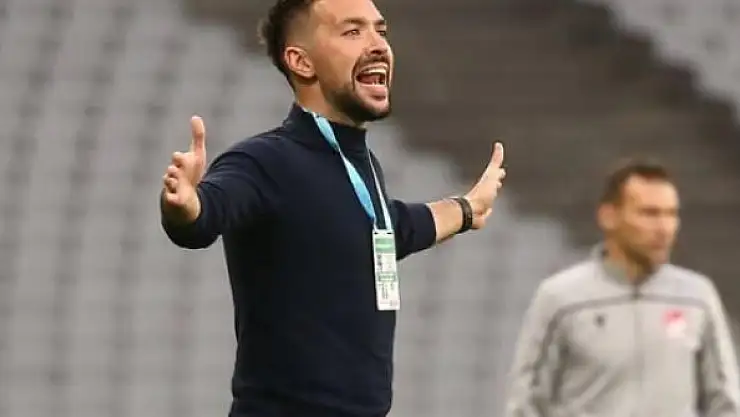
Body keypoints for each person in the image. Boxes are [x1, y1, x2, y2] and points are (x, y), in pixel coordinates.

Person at [159, 0, 506, 416]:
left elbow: (387, 228)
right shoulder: (264, 160)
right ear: (301, 62)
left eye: (380, 30)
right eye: (353, 31)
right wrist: (185, 205)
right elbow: (205, 215)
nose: (378, 45)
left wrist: (467, 209)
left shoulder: (360, 165)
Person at [505, 158, 739, 417]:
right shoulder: (561, 298)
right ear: (609, 216)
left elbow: (725, 401)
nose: (664, 228)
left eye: (671, 214)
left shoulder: (697, 297)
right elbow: (526, 403)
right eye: (649, 213)